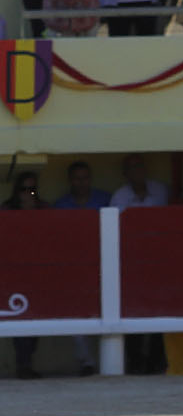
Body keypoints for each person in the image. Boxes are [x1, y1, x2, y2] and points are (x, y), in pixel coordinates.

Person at [109, 155, 170, 376]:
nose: (137, 171)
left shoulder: (161, 191)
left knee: (159, 310)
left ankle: (156, 360)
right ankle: (135, 360)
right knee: (131, 310)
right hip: (130, 262)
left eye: (140, 166)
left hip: (160, 261)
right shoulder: (120, 196)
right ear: (125, 173)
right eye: (132, 168)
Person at [51, 161, 107, 376]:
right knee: (77, 313)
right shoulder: (61, 205)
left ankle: (111, 359)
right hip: (74, 266)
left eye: (85, 178)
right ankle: (87, 362)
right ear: (70, 181)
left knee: (109, 309)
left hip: (104, 263)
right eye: (77, 178)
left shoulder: (104, 199)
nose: (81, 183)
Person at [4, 172, 44, 379]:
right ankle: (24, 364)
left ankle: (27, 362)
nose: (28, 194)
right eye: (24, 190)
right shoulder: (6, 210)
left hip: (38, 273)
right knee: (19, 318)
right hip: (13, 272)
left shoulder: (44, 210)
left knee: (36, 319)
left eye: (32, 190)